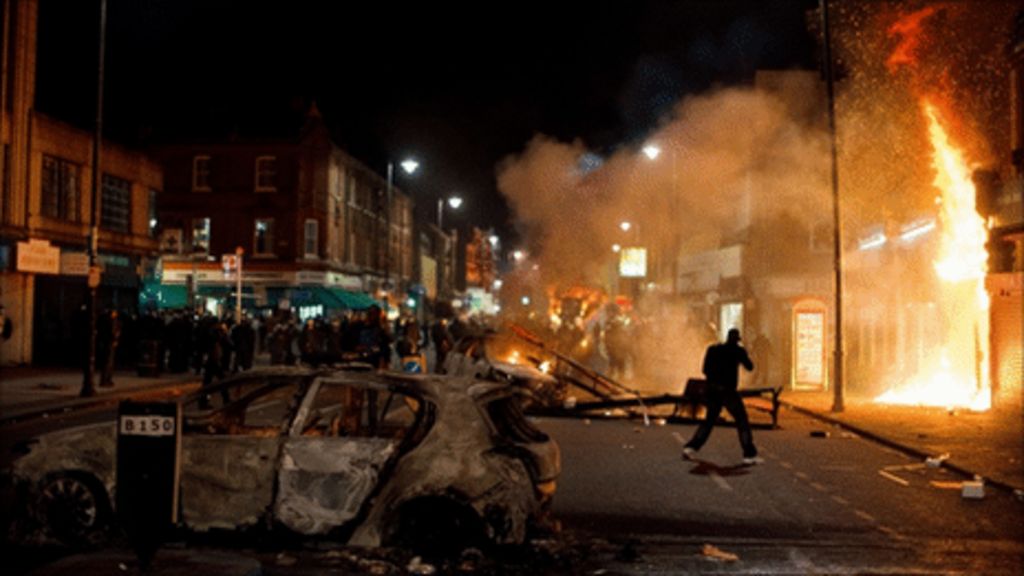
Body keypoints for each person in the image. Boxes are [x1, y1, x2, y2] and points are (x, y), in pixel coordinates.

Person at [682, 328, 762, 465]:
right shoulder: (737, 351)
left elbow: (705, 370)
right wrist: (743, 353)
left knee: (709, 421)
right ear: (737, 340)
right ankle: (749, 454)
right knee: (742, 421)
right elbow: (750, 367)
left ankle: (691, 447)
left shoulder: (713, 350)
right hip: (728, 391)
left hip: (712, 390)